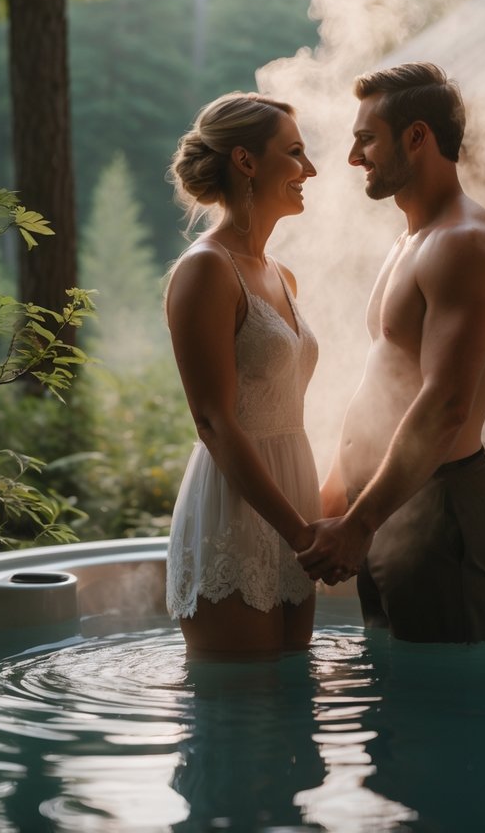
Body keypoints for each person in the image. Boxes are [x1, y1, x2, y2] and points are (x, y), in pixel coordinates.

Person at [298, 62, 485, 643]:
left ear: (417, 136)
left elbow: (445, 405)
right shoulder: (412, 239)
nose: (353, 158)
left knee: (439, 713)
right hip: (390, 502)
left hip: (440, 503)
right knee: (395, 710)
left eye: (365, 139)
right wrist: (336, 499)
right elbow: (384, 382)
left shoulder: (464, 244)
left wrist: (359, 523)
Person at [165, 91, 320, 658]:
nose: (310, 169)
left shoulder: (282, 275)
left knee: (293, 710)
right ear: (246, 161)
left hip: (292, 497)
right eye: (295, 153)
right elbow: (213, 421)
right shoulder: (206, 269)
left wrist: (315, 519)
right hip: (235, 506)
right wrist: (300, 532)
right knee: (241, 718)